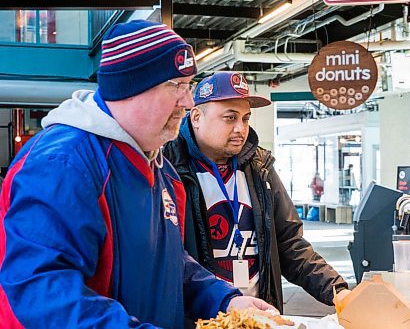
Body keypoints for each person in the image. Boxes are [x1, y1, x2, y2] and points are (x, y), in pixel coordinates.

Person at [0, 21, 273, 329]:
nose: (188, 101)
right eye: (177, 86)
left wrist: (223, 299)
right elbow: (41, 293)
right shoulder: (62, 164)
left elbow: (168, 264)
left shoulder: (162, 170)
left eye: (189, 86)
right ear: (132, 88)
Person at [164, 71, 350, 313]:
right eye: (230, 118)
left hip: (260, 316)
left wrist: (338, 292)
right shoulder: (168, 168)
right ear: (197, 117)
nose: (240, 129)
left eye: (245, 118)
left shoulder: (260, 169)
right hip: (200, 318)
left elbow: (289, 244)